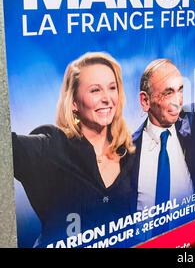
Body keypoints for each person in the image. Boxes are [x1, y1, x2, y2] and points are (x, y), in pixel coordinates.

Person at [11, 52, 136, 248]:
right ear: (74, 103)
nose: (107, 98)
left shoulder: (129, 152)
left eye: (112, 88)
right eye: (95, 90)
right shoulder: (51, 147)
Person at [132, 59, 195, 239]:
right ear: (145, 101)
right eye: (168, 93)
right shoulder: (126, 152)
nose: (178, 101)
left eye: (180, 90)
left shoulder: (194, 124)